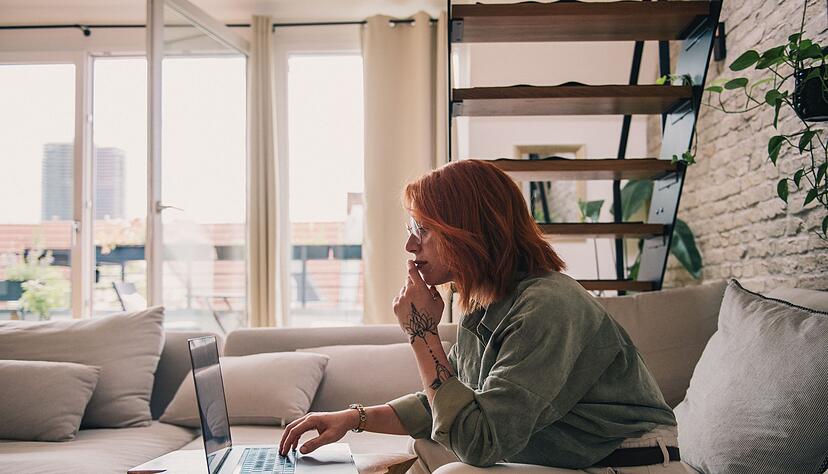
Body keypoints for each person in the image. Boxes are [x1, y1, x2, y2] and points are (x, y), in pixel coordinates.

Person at [279, 160, 686, 473]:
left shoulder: (547, 307)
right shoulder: (491, 305)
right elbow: (444, 404)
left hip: (632, 464)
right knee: (426, 446)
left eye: (422, 229)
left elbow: (479, 441)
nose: (409, 244)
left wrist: (422, 333)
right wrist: (354, 418)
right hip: (585, 460)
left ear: (466, 232)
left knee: (458, 469)